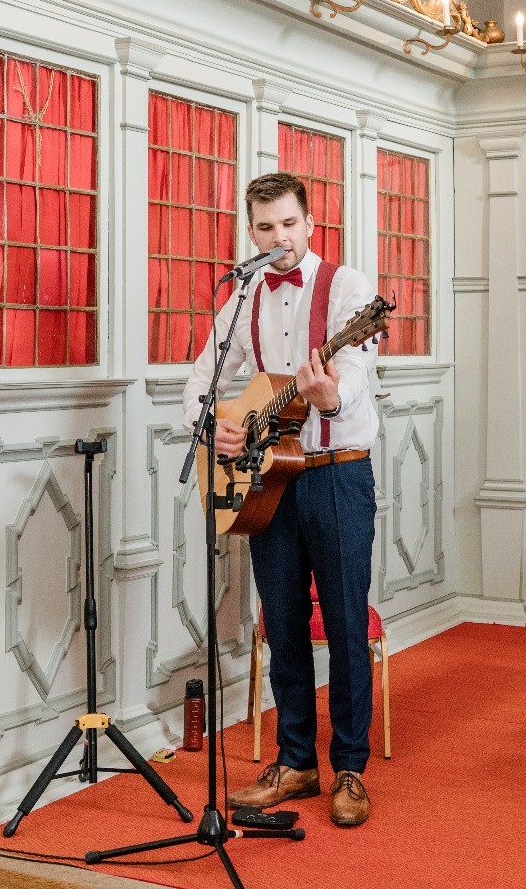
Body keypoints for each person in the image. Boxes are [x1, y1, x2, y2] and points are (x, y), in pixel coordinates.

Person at [181, 172, 380, 827]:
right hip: (270, 478)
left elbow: (354, 374)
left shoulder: (348, 288)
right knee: (284, 619)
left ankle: (349, 766)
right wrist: (217, 424)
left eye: (288, 224)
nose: (278, 238)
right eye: (265, 228)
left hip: (337, 474)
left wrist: (331, 395)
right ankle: (295, 761)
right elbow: (204, 377)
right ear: (252, 233)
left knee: (347, 622)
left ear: (309, 223)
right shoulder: (244, 296)